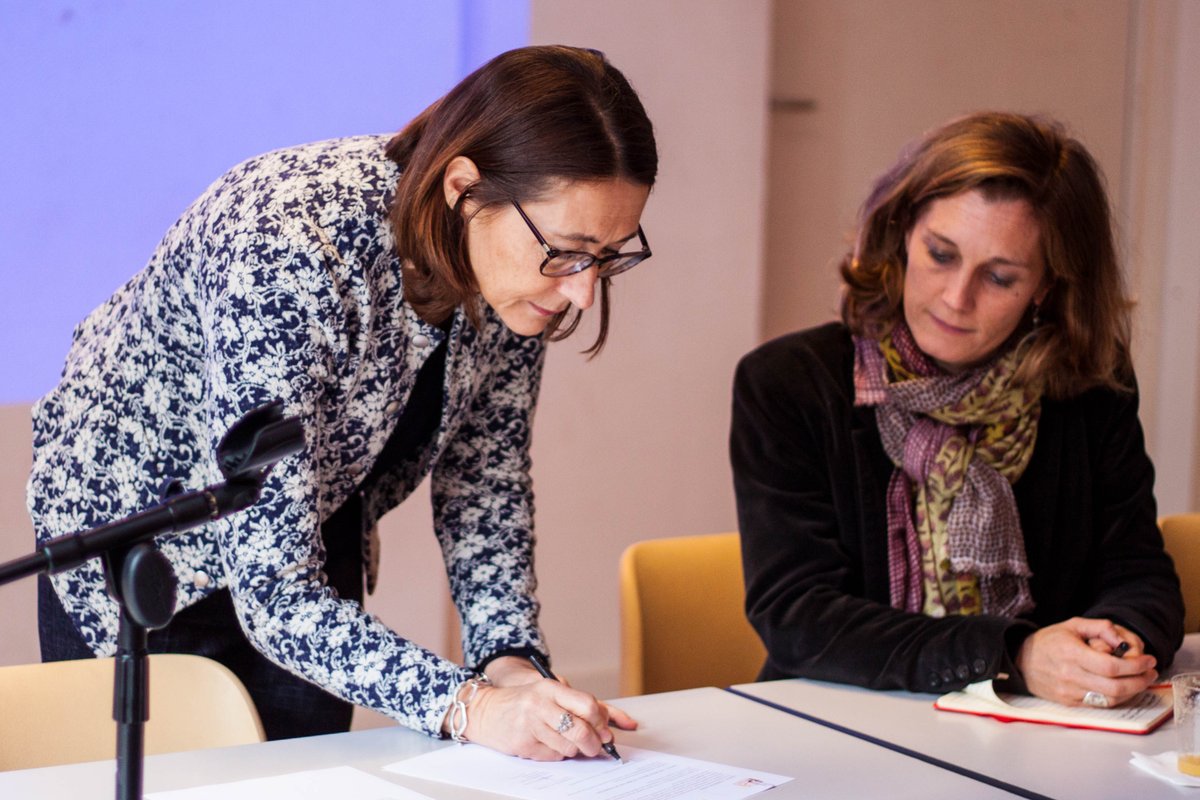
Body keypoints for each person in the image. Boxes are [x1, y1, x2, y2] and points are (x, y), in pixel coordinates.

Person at [27, 45, 656, 760]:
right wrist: (469, 707)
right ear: (463, 188)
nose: (583, 290)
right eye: (569, 253)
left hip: (308, 531)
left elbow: (485, 485)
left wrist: (509, 664)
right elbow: (274, 590)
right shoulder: (289, 240)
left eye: (606, 256)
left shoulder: (522, 279)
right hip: (143, 549)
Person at [730, 111, 1183, 709]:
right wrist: (1014, 655)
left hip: (1040, 729)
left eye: (999, 277)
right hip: (838, 722)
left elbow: (1139, 573)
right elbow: (798, 616)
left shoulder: (1090, 384)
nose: (955, 297)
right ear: (901, 232)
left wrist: (1115, 642)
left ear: (1047, 286)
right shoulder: (789, 383)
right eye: (941, 254)